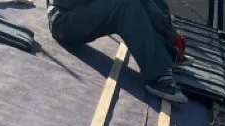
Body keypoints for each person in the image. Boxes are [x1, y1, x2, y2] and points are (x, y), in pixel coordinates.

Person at [47, 0, 188, 103]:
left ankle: (167, 50)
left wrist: (172, 36)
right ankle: (157, 74)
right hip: (63, 21)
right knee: (125, 5)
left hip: (79, 13)